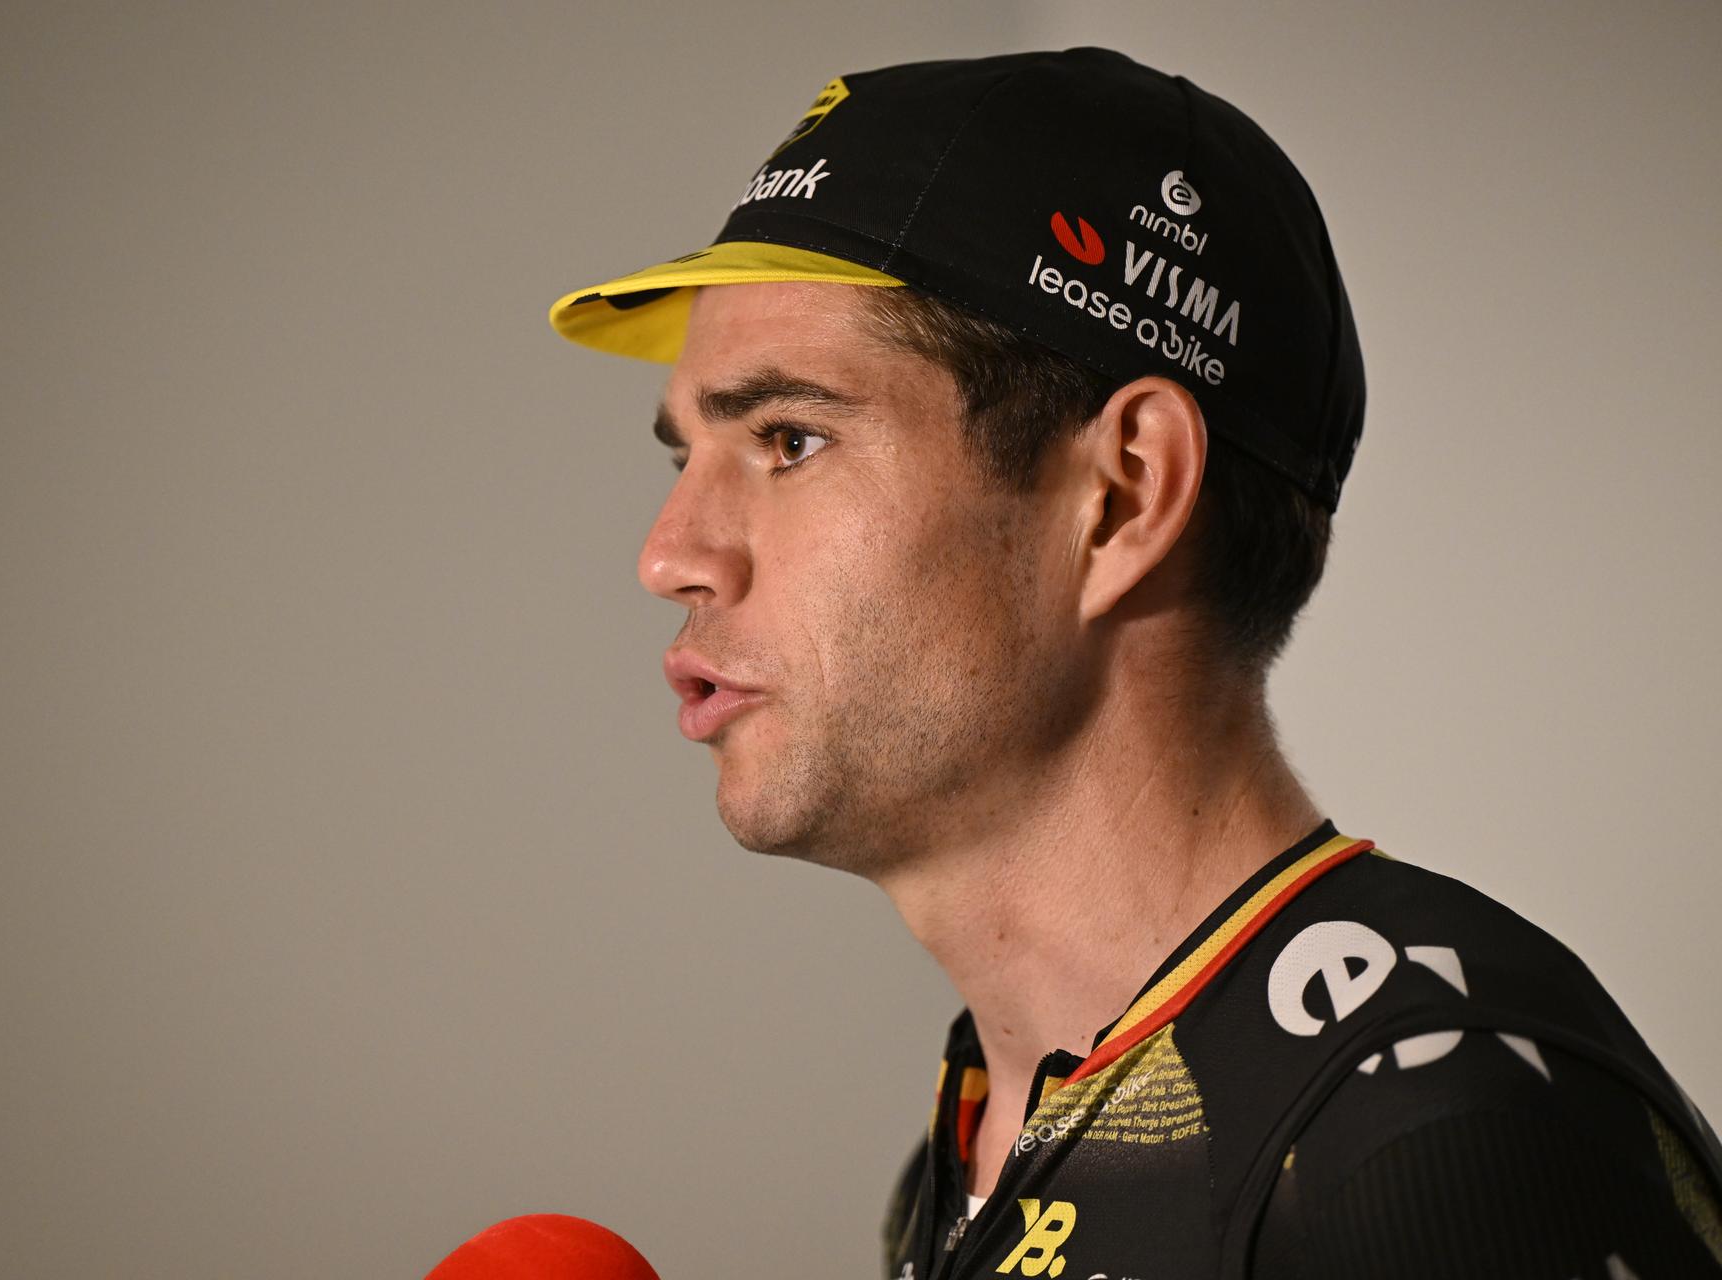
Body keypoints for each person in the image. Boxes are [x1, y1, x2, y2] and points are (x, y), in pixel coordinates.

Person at [547, 47, 1722, 1279]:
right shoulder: (983, 1131)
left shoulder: (1430, 1129)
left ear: (1121, 494)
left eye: (790, 438)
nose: (670, 554)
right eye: (681, 456)